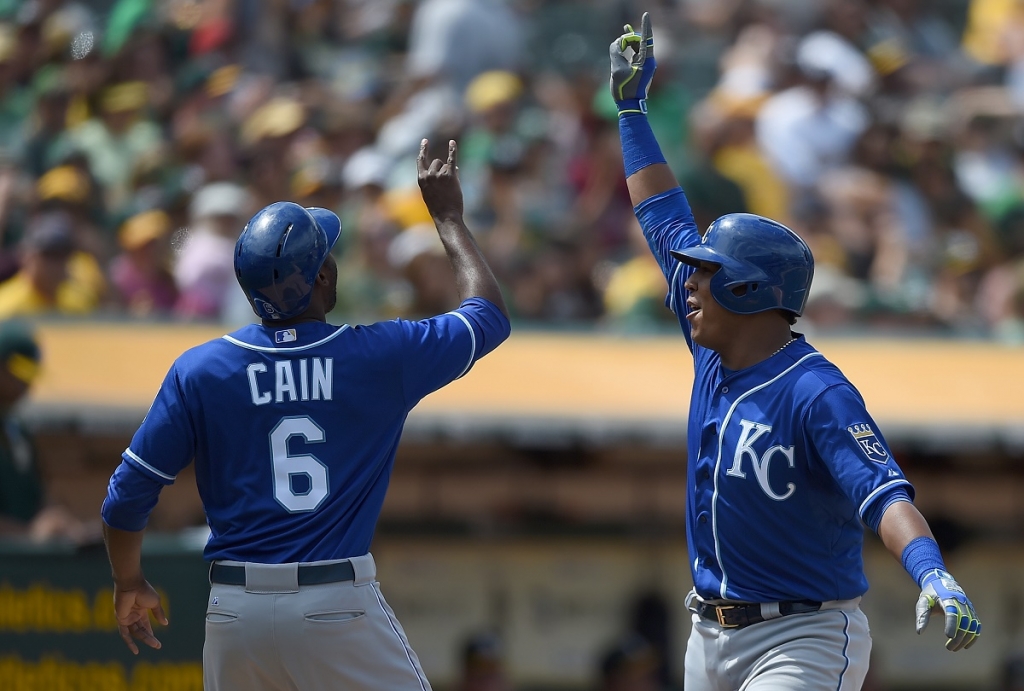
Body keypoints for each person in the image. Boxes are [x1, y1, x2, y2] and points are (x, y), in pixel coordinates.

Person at [609, 13, 980, 689]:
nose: (688, 281)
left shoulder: (817, 390)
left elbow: (883, 492)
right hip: (708, 634)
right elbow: (661, 213)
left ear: (750, 290)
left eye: (705, 272)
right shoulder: (709, 339)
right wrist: (632, 110)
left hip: (803, 633)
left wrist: (933, 571)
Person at [100, 138, 510, 690]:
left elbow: (127, 494)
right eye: (327, 255)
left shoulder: (202, 369)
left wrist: (129, 581)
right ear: (319, 279)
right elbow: (487, 316)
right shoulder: (375, 355)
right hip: (334, 603)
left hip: (234, 613)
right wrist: (449, 218)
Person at [0, 320, 98, 543]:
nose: (27, 385)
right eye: (19, 373)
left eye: (31, 375)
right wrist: (29, 534)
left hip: (24, 570)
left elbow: (37, 495)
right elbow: (33, 532)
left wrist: (66, 525)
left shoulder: (17, 431)